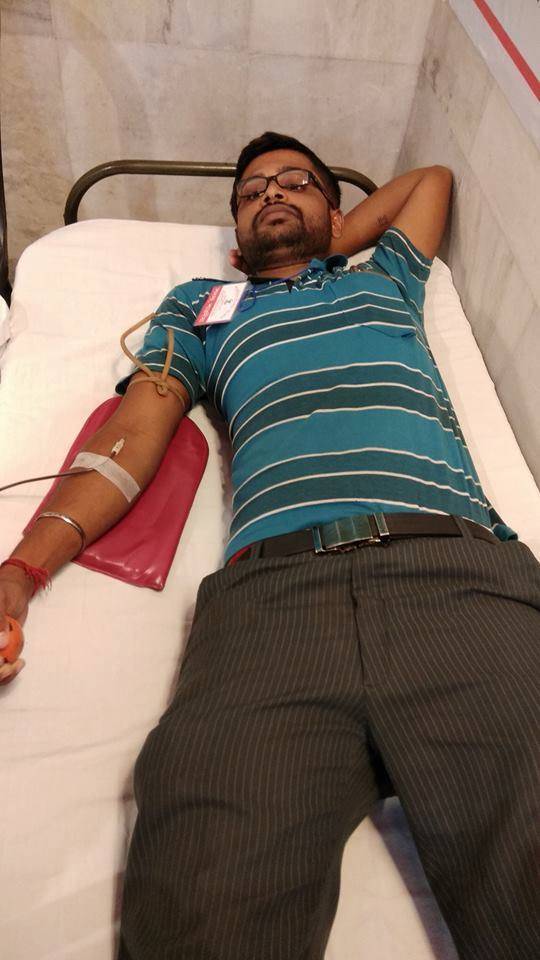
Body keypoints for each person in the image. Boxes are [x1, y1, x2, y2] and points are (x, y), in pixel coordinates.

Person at [0, 132, 538, 960]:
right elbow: (133, 434)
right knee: (201, 897)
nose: (271, 194)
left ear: (338, 211)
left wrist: (332, 243)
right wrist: (23, 569)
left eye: (296, 183)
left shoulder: (387, 280)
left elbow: (430, 180)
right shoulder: (200, 307)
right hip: (273, 605)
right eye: (251, 194)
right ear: (233, 238)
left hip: (459, 575)